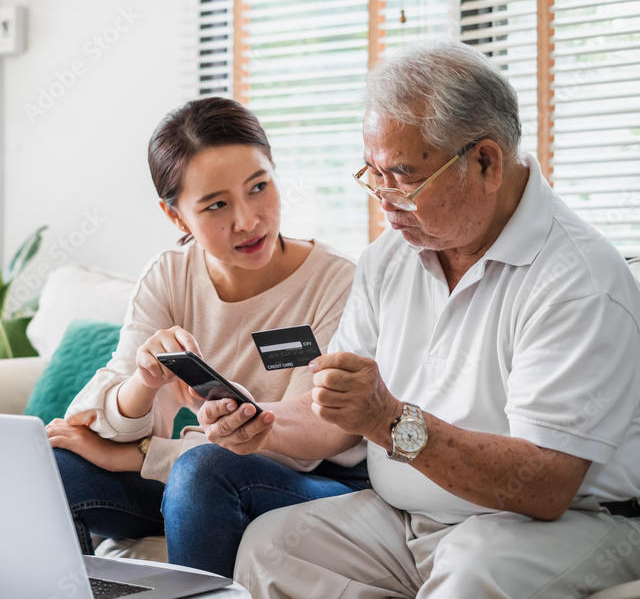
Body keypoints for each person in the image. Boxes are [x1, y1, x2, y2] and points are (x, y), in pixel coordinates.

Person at [232, 40, 640, 598]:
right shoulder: (387, 258)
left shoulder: (578, 279)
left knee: (473, 572)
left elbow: (545, 484)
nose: (384, 201)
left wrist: (388, 421)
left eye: (403, 178)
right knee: (271, 545)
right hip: (407, 519)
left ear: (486, 162)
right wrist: (259, 422)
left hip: (564, 524)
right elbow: (341, 416)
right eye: (373, 174)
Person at [45, 97, 369, 577]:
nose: (247, 219)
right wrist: (143, 381)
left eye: (259, 187)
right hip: (200, 479)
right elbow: (92, 419)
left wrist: (137, 457)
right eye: (216, 205)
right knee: (53, 468)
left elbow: (317, 434)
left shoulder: (335, 281)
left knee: (203, 472)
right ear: (176, 217)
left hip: (315, 480)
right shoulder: (169, 277)